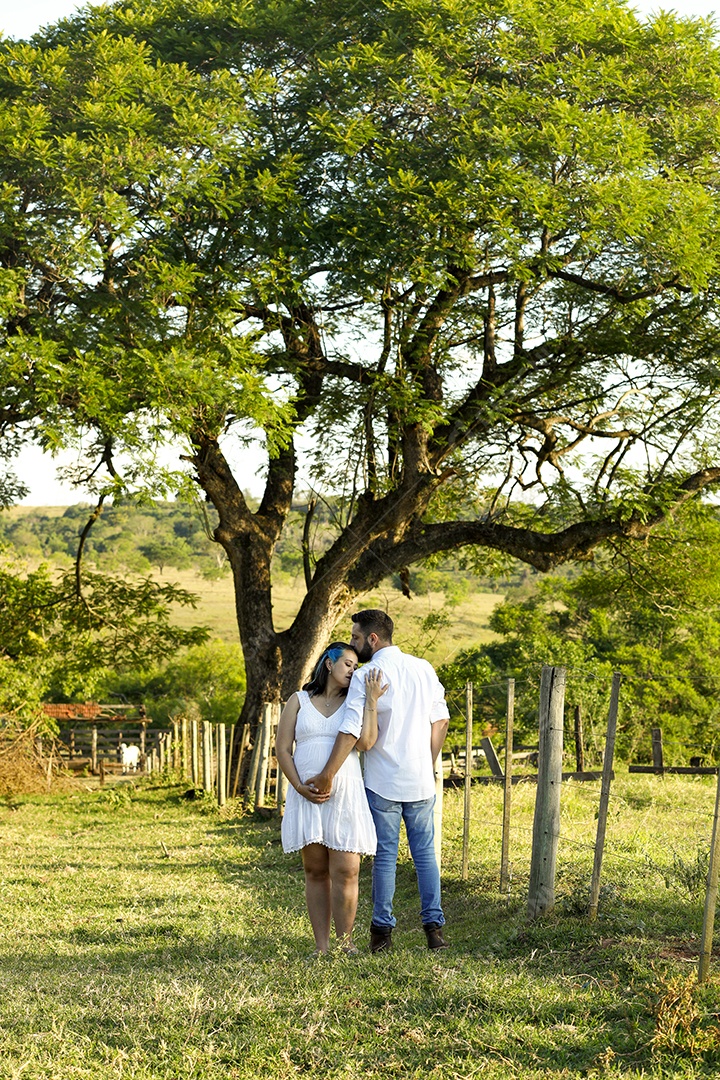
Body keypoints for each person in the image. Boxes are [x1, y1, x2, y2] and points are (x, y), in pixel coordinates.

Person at [307, 610, 450, 954]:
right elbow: (440, 720)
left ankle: (382, 933)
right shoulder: (424, 668)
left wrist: (327, 773)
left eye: (356, 638)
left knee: (385, 857)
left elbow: (353, 730)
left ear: (373, 638)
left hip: (382, 779)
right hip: (420, 780)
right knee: (425, 855)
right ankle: (434, 931)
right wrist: (426, 762)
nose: (353, 645)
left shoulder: (368, 674)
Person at [276, 641, 387, 956]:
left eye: (356, 666)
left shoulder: (356, 701)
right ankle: (321, 946)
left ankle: (345, 943)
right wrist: (298, 786)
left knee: (347, 870)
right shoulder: (298, 701)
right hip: (306, 794)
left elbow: (365, 743)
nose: (353, 671)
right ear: (328, 663)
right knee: (315, 870)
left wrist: (372, 701)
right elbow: (283, 749)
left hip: (345, 791)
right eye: (348, 664)